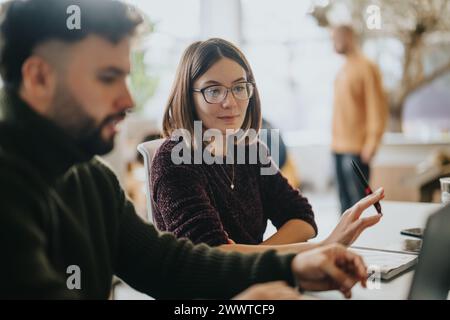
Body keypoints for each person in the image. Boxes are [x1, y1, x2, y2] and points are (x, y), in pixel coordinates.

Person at [0, 0, 368, 300]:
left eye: (126, 77)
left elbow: (167, 263)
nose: (128, 99)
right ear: (39, 77)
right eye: (108, 77)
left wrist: (291, 268)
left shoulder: (91, 178)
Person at [150, 38, 384, 254]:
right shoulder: (174, 159)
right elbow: (212, 258)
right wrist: (324, 246)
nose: (230, 102)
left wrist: (252, 255)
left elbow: (302, 218)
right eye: (213, 90)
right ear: (187, 96)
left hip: (257, 284)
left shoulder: (249, 149)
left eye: (239, 87)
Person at [331, 25, 388, 214]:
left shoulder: (366, 67)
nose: (333, 43)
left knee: (358, 207)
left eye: (336, 38)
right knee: (344, 208)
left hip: (356, 149)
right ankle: (341, 244)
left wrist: (371, 143)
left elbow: (376, 107)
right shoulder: (343, 69)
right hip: (337, 148)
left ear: (349, 37)